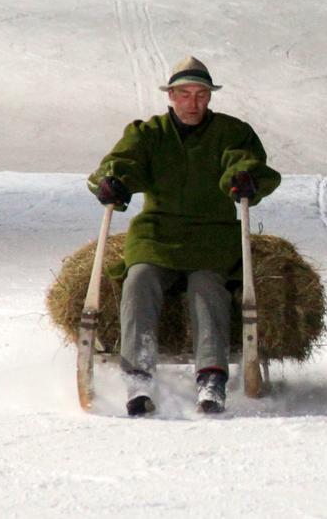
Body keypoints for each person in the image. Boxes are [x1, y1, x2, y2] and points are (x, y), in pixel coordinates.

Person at [88, 56, 281, 416]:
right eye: (185, 94)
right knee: (139, 278)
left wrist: (243, 177)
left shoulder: (232, 132)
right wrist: (113, 181)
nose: (193, 103)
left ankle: (211, 377)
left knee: (207, 285)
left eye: (201, 94)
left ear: (209, 97)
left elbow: (245, 161)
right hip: (157, 233)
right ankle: (139, 376)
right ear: (171, 96)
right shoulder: (148, 134)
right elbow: (122, 162)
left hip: (212, 234)